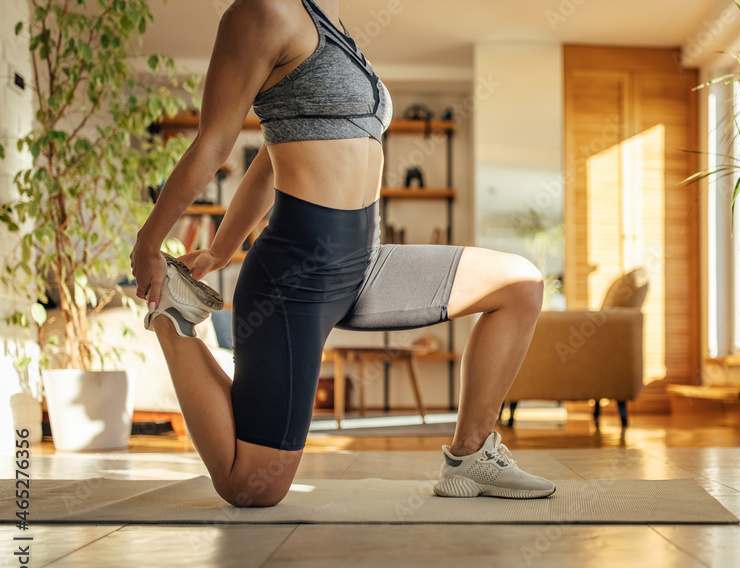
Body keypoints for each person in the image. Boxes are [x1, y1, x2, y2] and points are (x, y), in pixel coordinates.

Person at [129, 0, 555, 507]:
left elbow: (272, 157)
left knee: (519, 284)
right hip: (293, 277)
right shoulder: (260, 13)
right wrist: (148, 243)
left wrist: (221, 249)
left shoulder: (328, 22)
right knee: (251, 487)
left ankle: (471, 457)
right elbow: (214, 143)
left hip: (363, 263)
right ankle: (174, 322)